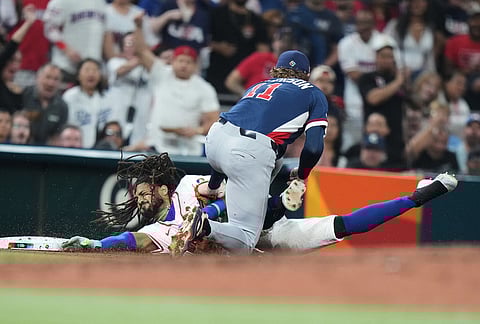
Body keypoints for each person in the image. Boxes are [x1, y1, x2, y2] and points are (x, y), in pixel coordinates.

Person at [61, 153, 459, 255]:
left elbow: (232, 194)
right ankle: (280, 202)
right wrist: (98, 246)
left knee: (345, 225)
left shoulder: (188, 184)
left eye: (142, 188)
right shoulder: (153, 230)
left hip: (264, 226)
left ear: (161, 186)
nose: (137, 196)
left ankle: (416, 196)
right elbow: (136, 244)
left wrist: (210, 212)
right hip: (252, 250)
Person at [175, 50, 328, 255]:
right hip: (249, 152)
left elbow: (233, 132)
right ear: (307, 75)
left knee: (277, 158)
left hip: (215, 137)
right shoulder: (313, 92)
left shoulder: (258, 85)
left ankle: (259, 201)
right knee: (246, 240)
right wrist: (302, 176)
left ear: (275, 70)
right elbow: (314, 147)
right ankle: (206, 226)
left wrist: (213, 185)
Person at [131, 14, 220, 156]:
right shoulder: (161, 73)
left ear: (195, 65)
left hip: (189, 149)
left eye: (188, 61)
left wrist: (198, 130)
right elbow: (142, 51)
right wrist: (138, 27)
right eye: (180, 60)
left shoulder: (204, 87)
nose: (184, 65)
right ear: (172, 61)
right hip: (157, 144)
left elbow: (214, 120)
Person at [43, 0, 113, 84]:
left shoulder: (101, 3)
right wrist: (66, 48)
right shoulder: (60, 2)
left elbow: (104, 33)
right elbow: (49, 29)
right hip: (65, 67)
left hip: (92, 69)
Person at [62, 58, 112, 149]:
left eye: (95, 70)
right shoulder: (70, 96)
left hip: (100, 149)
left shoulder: (107, 98)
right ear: (78, 75)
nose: (91, 74)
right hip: (75, 148)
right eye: (87, 70)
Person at [0, 4, 36, 114]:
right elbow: (11, 47)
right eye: (10, 61)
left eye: (17, 61)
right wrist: (28, 23)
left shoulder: (21, 91)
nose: (14, 66)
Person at [22, 63, 68, 145]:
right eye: (48, 77)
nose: (51, 83)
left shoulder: (62, 106)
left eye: (56, 79)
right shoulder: (24, 96)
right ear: (37, 78)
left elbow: (58, 136)